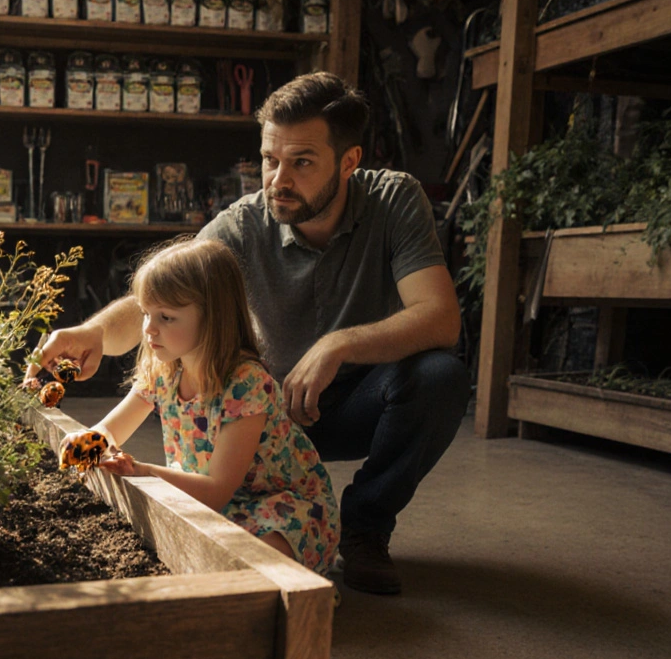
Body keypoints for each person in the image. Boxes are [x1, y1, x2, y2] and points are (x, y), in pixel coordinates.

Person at [28, 71, 469, 595]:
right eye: (269, 159)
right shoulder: (243, 223)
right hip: (260, 416)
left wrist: (337, 345)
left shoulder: (394, 200)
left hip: (355, 405)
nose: (278, 179)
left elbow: (440, 317)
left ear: (349, 162)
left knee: (441, 376)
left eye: (302, 162)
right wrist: (93, 332)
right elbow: (173, 294)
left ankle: (365, 529)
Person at [67, 238, 340, 575]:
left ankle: (301, 593)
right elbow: (110, 431)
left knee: (246, 566)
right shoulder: (163, 369)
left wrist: (144, 472)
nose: (149, 329)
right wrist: (87, 442)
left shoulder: (246, 383)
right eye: (145, 314)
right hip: (211, 505)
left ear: (213, 318)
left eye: (166, 317)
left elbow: (216, 490)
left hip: (280, 508)